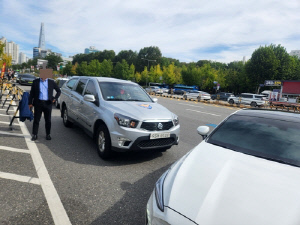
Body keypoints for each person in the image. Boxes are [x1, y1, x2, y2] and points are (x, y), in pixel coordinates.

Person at [28, 76, 61, 141]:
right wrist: (30, 103)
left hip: (48, 103)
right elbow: (32, 93)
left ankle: (48, 134)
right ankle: (35, 134)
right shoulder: (35, 82)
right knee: (36, 120)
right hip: (38, 103)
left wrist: (55, 98)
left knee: (48, 120)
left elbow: (58, 91)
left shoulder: (51, 82)